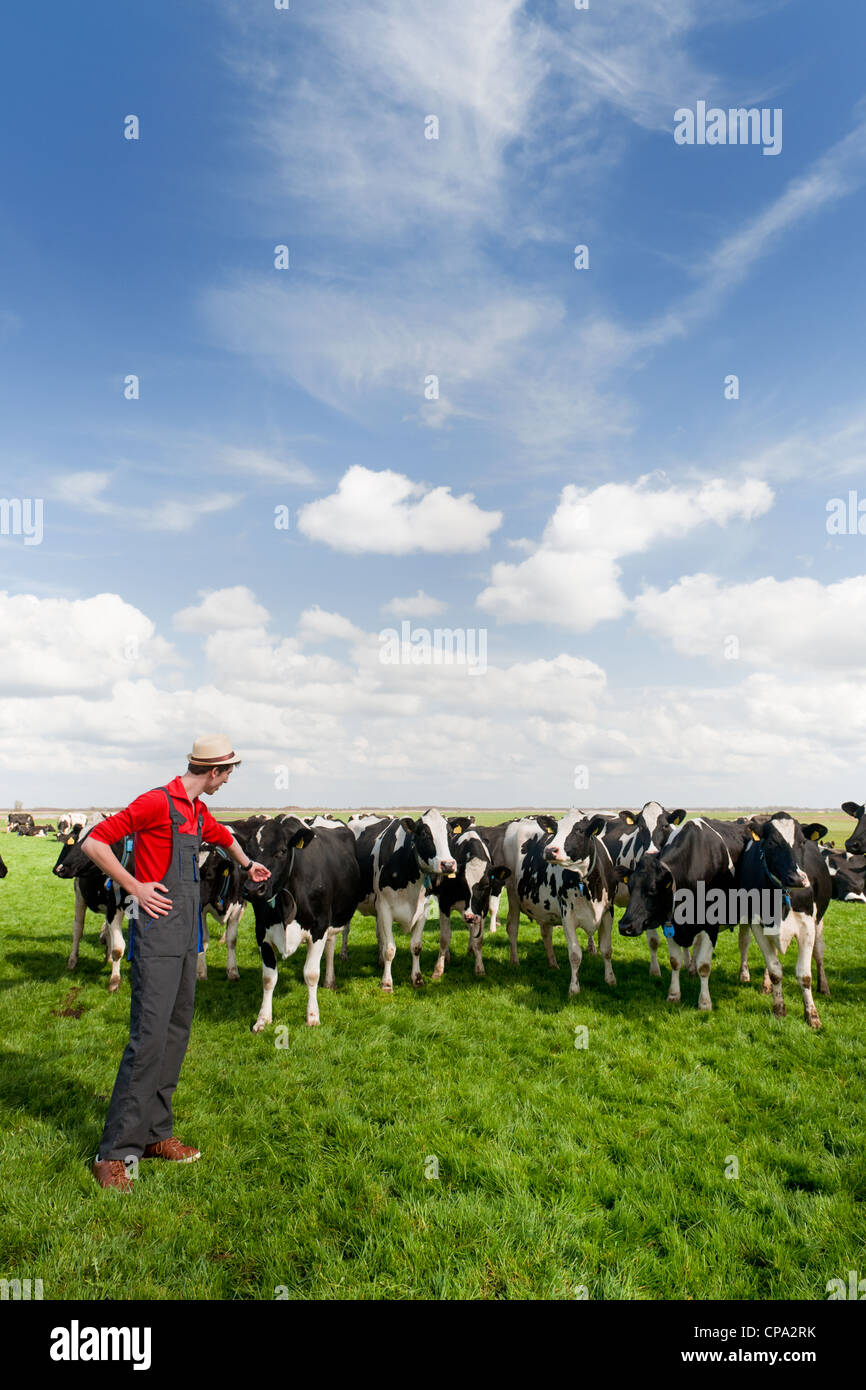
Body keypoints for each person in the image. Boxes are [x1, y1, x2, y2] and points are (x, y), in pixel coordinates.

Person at [83, 734, 270, 1191]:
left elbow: (223, 836)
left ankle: (155, 1135)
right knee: (147, 1040)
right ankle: (114, 1153)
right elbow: (94, 843)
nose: (227, 780)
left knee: (175, 1034)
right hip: (156, 934)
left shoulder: (196, 810)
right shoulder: (154, 802)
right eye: (227, 773)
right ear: (213, 771)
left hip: (188, 936)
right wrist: (135, 886)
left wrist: (247, 864)